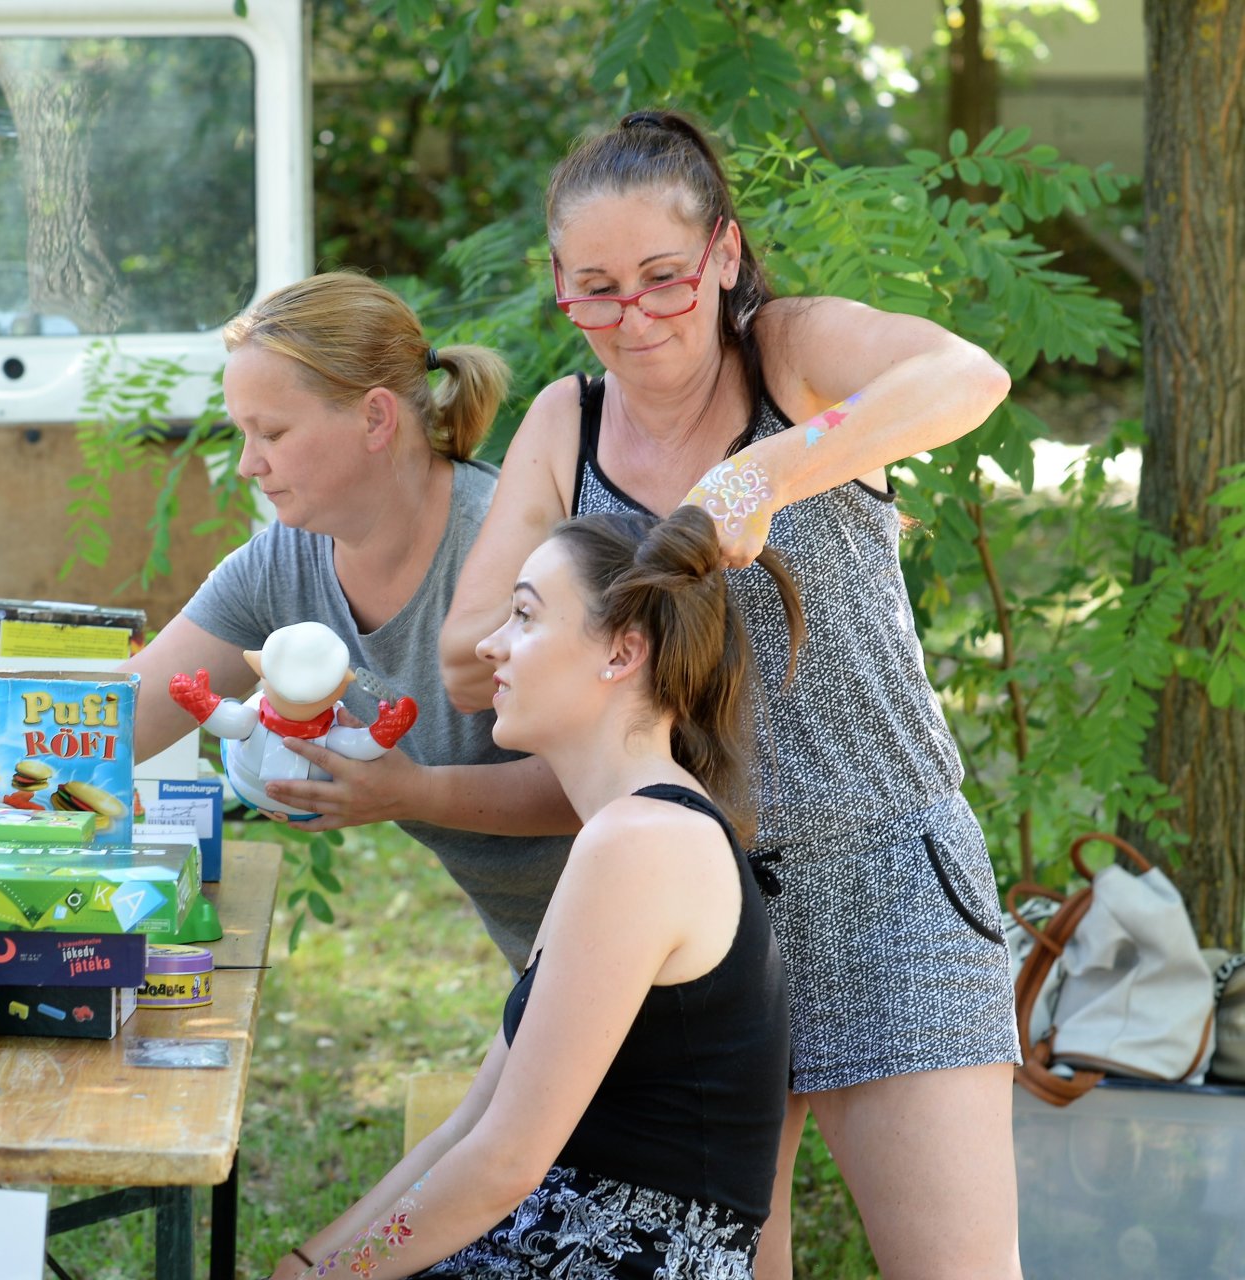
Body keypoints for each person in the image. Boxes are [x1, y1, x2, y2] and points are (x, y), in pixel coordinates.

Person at [438, 110, 1021, 1279]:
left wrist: (766, 472)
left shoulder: (790, 353)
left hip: (887, 875)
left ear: (722, 256)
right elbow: (467, 651)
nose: (635, 319)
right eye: (595, 290)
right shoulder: (570, 419)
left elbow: (971, 373)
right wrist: (615, 604)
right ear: (558, 283)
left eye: (663, 279)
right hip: (698, 905)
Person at [274, 506, 798, 1280]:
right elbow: (474, 1123)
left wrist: (337, 1279)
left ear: (623, 652)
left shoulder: (642, 844)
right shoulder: (620, 833)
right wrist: (310, 1261)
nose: (491, 645)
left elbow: (506, 1162)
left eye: (524, 615)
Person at [123, 272, 575, 973]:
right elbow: (119, 717)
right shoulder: (281, 562)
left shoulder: (509, 551)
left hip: (660, 942)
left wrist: (415, 794)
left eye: (270, 432)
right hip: (548, 957)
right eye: (243, 434)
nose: (248, 464)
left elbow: (606, 783)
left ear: (374, 418)